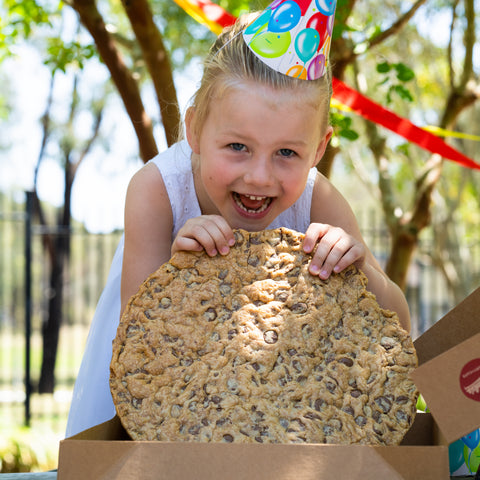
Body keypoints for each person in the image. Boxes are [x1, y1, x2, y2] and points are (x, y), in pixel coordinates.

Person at [65, 7, 410, 438]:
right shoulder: (157, 190)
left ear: (319, 149)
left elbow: (398, 326)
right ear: (194, 128)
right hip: (167, 414)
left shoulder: (318, 198)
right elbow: (140, 348)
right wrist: (178, 275)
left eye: (287, 153)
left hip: (273, 412)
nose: (260, 176)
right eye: (237, 146)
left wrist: (361, 272)